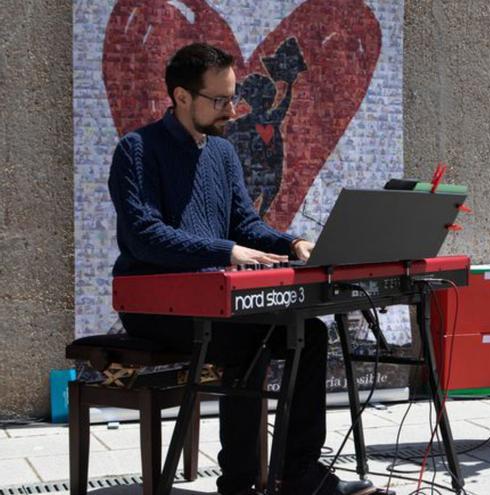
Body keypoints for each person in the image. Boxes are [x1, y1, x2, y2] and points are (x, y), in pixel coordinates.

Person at [108, 43, 376, 495]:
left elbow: (245, 224)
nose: (232, 110)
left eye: (233, 98)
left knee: (306, 333)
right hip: (155, 303)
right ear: (181, 97)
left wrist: (292, 242)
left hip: (211, 295)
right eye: (220, 100)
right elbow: (143, 236)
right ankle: (240, 480)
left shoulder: (221, 153)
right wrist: (226, 250)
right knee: (247, 339)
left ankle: (298, 473)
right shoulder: (136, 150)